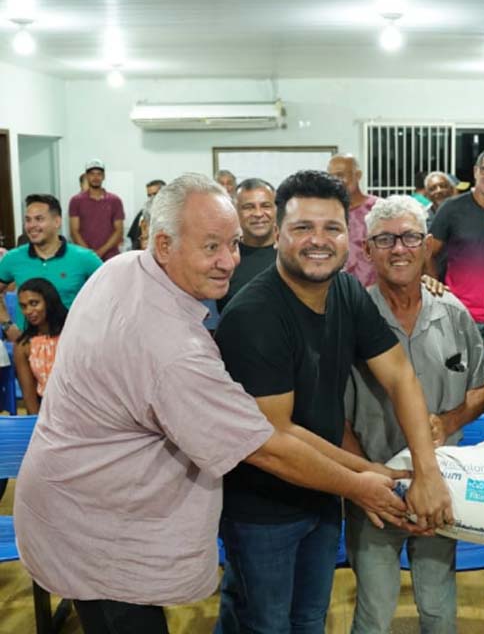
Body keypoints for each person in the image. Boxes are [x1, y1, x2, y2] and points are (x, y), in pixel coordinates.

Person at [13, 173, 407, 634]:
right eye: (211, 248)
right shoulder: (173, 349)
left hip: (82, 505)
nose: (229, 262)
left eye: (234, 244)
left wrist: (368, 472)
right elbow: (265, 445)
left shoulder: (125, 268)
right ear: (163, 244)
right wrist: (362, 484)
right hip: (99, 530)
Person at [214, 170, 452, 633]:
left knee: (308, 619)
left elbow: (400, 374)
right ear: (277, 234)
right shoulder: (255, 315)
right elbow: (275, 437)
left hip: (321, 497)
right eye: (302, 228)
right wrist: (365, 479)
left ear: (350, 235)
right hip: (263, 508)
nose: (317, 241)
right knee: (263, 624)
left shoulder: (344, 291)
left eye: (331, 228)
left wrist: (427, 470)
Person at [342, 195, 484, 634]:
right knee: (373, 610)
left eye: (410, 237)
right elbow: (334, 414)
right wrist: (364, 481)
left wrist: (448, 423)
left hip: (441, 488)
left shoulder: (453, 312)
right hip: (375, 491)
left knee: (438, 604)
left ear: (428, 244)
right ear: (367, 250)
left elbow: (482, 387)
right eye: (384, 240)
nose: (399, 248)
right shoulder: (351, 319)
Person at [427, 148, 484, 335]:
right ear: (475, 171)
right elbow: (428, 252)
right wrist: (434, 287)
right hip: (458, 312)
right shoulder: (451, 208)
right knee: (460, 365)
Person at [0, 194, 101, 338]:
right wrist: (7, 326)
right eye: (28, 220)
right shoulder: (13, 258)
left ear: (57, 221)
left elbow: (111, 296)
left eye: (39, 219)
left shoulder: (85, 258)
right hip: (29, 347)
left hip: (72, 344)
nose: (32, 226)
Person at [216, 177, 278, 311]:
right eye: (248, 207)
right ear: (235, 212)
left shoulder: (293, 255)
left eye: (266, 206)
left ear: (276, 209)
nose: (258, 213)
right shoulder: (224, 259)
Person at [12, 278, 67, 415]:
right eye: (23, 306)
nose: (28, 311)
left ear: (49, 302)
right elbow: (29, 396)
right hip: (47, 411)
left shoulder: (72, 333)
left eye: (34, 303)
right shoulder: (23, 345)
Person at [327, 153, 379, 287]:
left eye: (340, 175)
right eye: (330, 177)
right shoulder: (326, 213)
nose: (335, 181)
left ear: (358, 175)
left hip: (375, 293)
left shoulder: (378, 209)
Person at [68, 158, 125, 260]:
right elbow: (74, 231)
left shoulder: (115, 200)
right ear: (87, 176)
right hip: (84, 255)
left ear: (103, 176)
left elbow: (119, 230)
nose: (95, 177)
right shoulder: (76, 201)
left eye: (99, 174)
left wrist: (101, 251)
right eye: (92, 174)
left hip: (110, 256)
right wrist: (89, 254)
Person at [127, 179, 165, 251]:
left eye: (155, 194)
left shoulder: (175, 212)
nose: (152, 198)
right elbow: (135, 239)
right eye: (149, 195)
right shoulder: (143, 213)